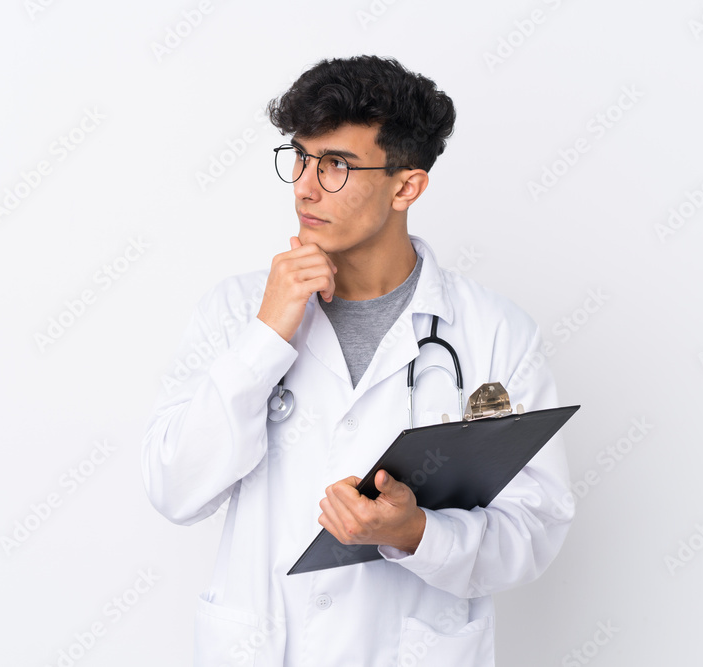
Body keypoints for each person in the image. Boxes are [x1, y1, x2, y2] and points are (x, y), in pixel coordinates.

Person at [142, 55, 574, 666]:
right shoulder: (238, 310)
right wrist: (267, 337)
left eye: (337, 165)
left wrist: (415, 534)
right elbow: (174, 489)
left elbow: (536, 526)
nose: (305, 186)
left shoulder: (493, 331)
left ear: (407, 186)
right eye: (300, 156)